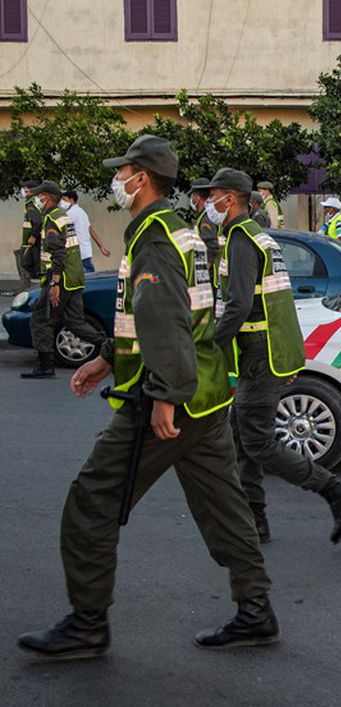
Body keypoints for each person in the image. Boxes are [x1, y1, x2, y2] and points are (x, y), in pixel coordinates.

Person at [17, 135, 277, 660]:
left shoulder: (155, 236)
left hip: (170, 398)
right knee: (226, 508)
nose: (118, 180)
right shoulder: (181, 231)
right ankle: (256, 611)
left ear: (142, 178)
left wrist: (165, 396)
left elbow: (167, 321)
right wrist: (108, 357)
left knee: (92, 500)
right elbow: (162, 315)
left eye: (124, 171)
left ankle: (88, 622)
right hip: (205, 396)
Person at [201, 169, 341, 545]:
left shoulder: (242, 239)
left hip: (259, 353)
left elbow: (239, 305)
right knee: (242, 438)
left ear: (230, 198)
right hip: (265, 351)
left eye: (213, 197)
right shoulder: (259, 237)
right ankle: (254, 520)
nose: (209, 204)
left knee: (256, 442)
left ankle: (336, 491)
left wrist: (210, 346)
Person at [21, 181, 107, 380]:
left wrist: (54, 284)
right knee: (75, 322)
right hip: (75, 277)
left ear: (48, 197)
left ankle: (44, 366)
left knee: (41, 320)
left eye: (39, 196)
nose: (37, 199)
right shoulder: (63, 216)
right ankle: (110, 346)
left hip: (62, 278)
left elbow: (58, 253)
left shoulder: (52, 218)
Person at [60, 190, 111, 274]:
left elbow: (61, 229)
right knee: (89, 275)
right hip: (86, 251)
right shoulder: (82, 212)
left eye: (64, 199)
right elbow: (91, 229)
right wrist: (101, 246)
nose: (62, 202)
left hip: (77, 252)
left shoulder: (70, 213)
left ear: (71, 200)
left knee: (83, 279)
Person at [188, 178, 222, 273]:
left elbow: (212, 246)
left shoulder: (206, 218)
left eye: (192, 197)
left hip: (213, 271)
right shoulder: (209, 215)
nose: (191, 200)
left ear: (197, 198)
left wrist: (203, 270)